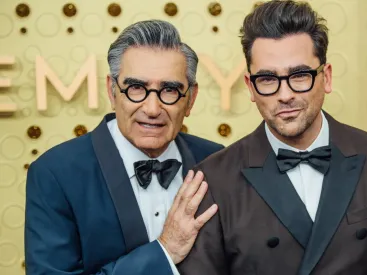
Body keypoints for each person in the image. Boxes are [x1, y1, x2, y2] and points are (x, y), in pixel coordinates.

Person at [177, 1, 367, 274]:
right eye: (268, 79)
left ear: (325, 77)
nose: (285, 94)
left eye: (299, 75)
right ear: (250, 87)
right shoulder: (213, 180)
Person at [24, 20, 222, 275]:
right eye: (136, 88)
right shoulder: (55, 173)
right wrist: (165, 251)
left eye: (170, 90)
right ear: (112, 90)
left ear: (191, 99)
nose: (152, 109)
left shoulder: (217, 160)